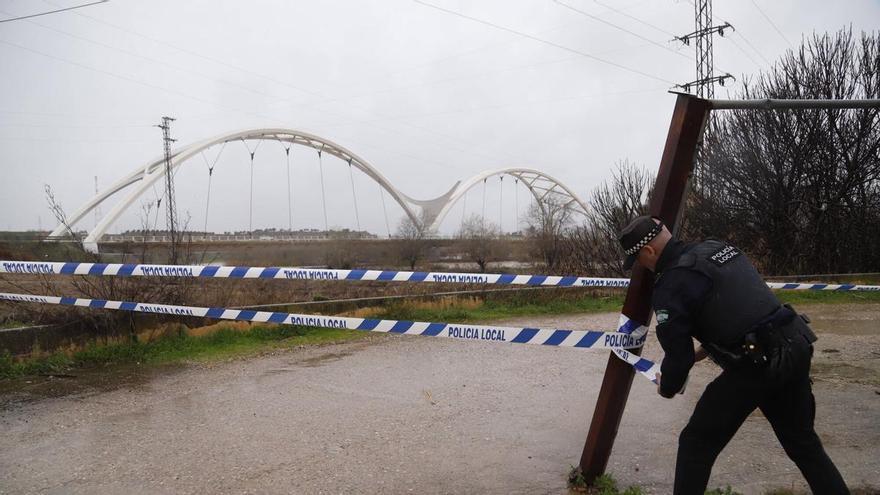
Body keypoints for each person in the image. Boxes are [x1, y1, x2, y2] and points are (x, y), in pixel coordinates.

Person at [617, 215, 849, 495]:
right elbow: (740, 308)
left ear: (648, 252)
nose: (642, 267)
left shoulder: (670, 285)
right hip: (795, 343)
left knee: (696, 444)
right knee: (803, 444)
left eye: (639, 261)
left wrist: (666, 387)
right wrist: (705, 351)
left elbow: (677, 361)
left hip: (756, 365)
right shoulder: (714, 248)